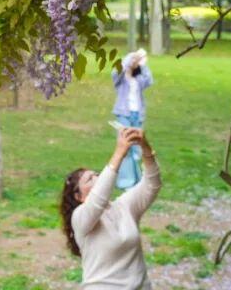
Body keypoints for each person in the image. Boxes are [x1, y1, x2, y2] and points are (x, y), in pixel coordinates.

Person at [60, 127, 161, 289]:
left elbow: (152, 184)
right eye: (89, 179)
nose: (97, 177)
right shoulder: (80, 218)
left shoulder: (124, 206)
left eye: (97, 174)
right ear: (78, 197)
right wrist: (120, 152)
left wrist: (145, 147)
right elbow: (98, 198)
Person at [111, 49, 153, 189]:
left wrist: (142, 63)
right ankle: (126, 181)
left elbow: (149, 80)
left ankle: (138, 179)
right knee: (126, 146)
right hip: (124, 114)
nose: (135, 63)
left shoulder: (139, 79)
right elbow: (116, 72)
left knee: (137, 147)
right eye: (133, 61)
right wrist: (130, 60)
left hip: (137, 114)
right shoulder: (121, 78)